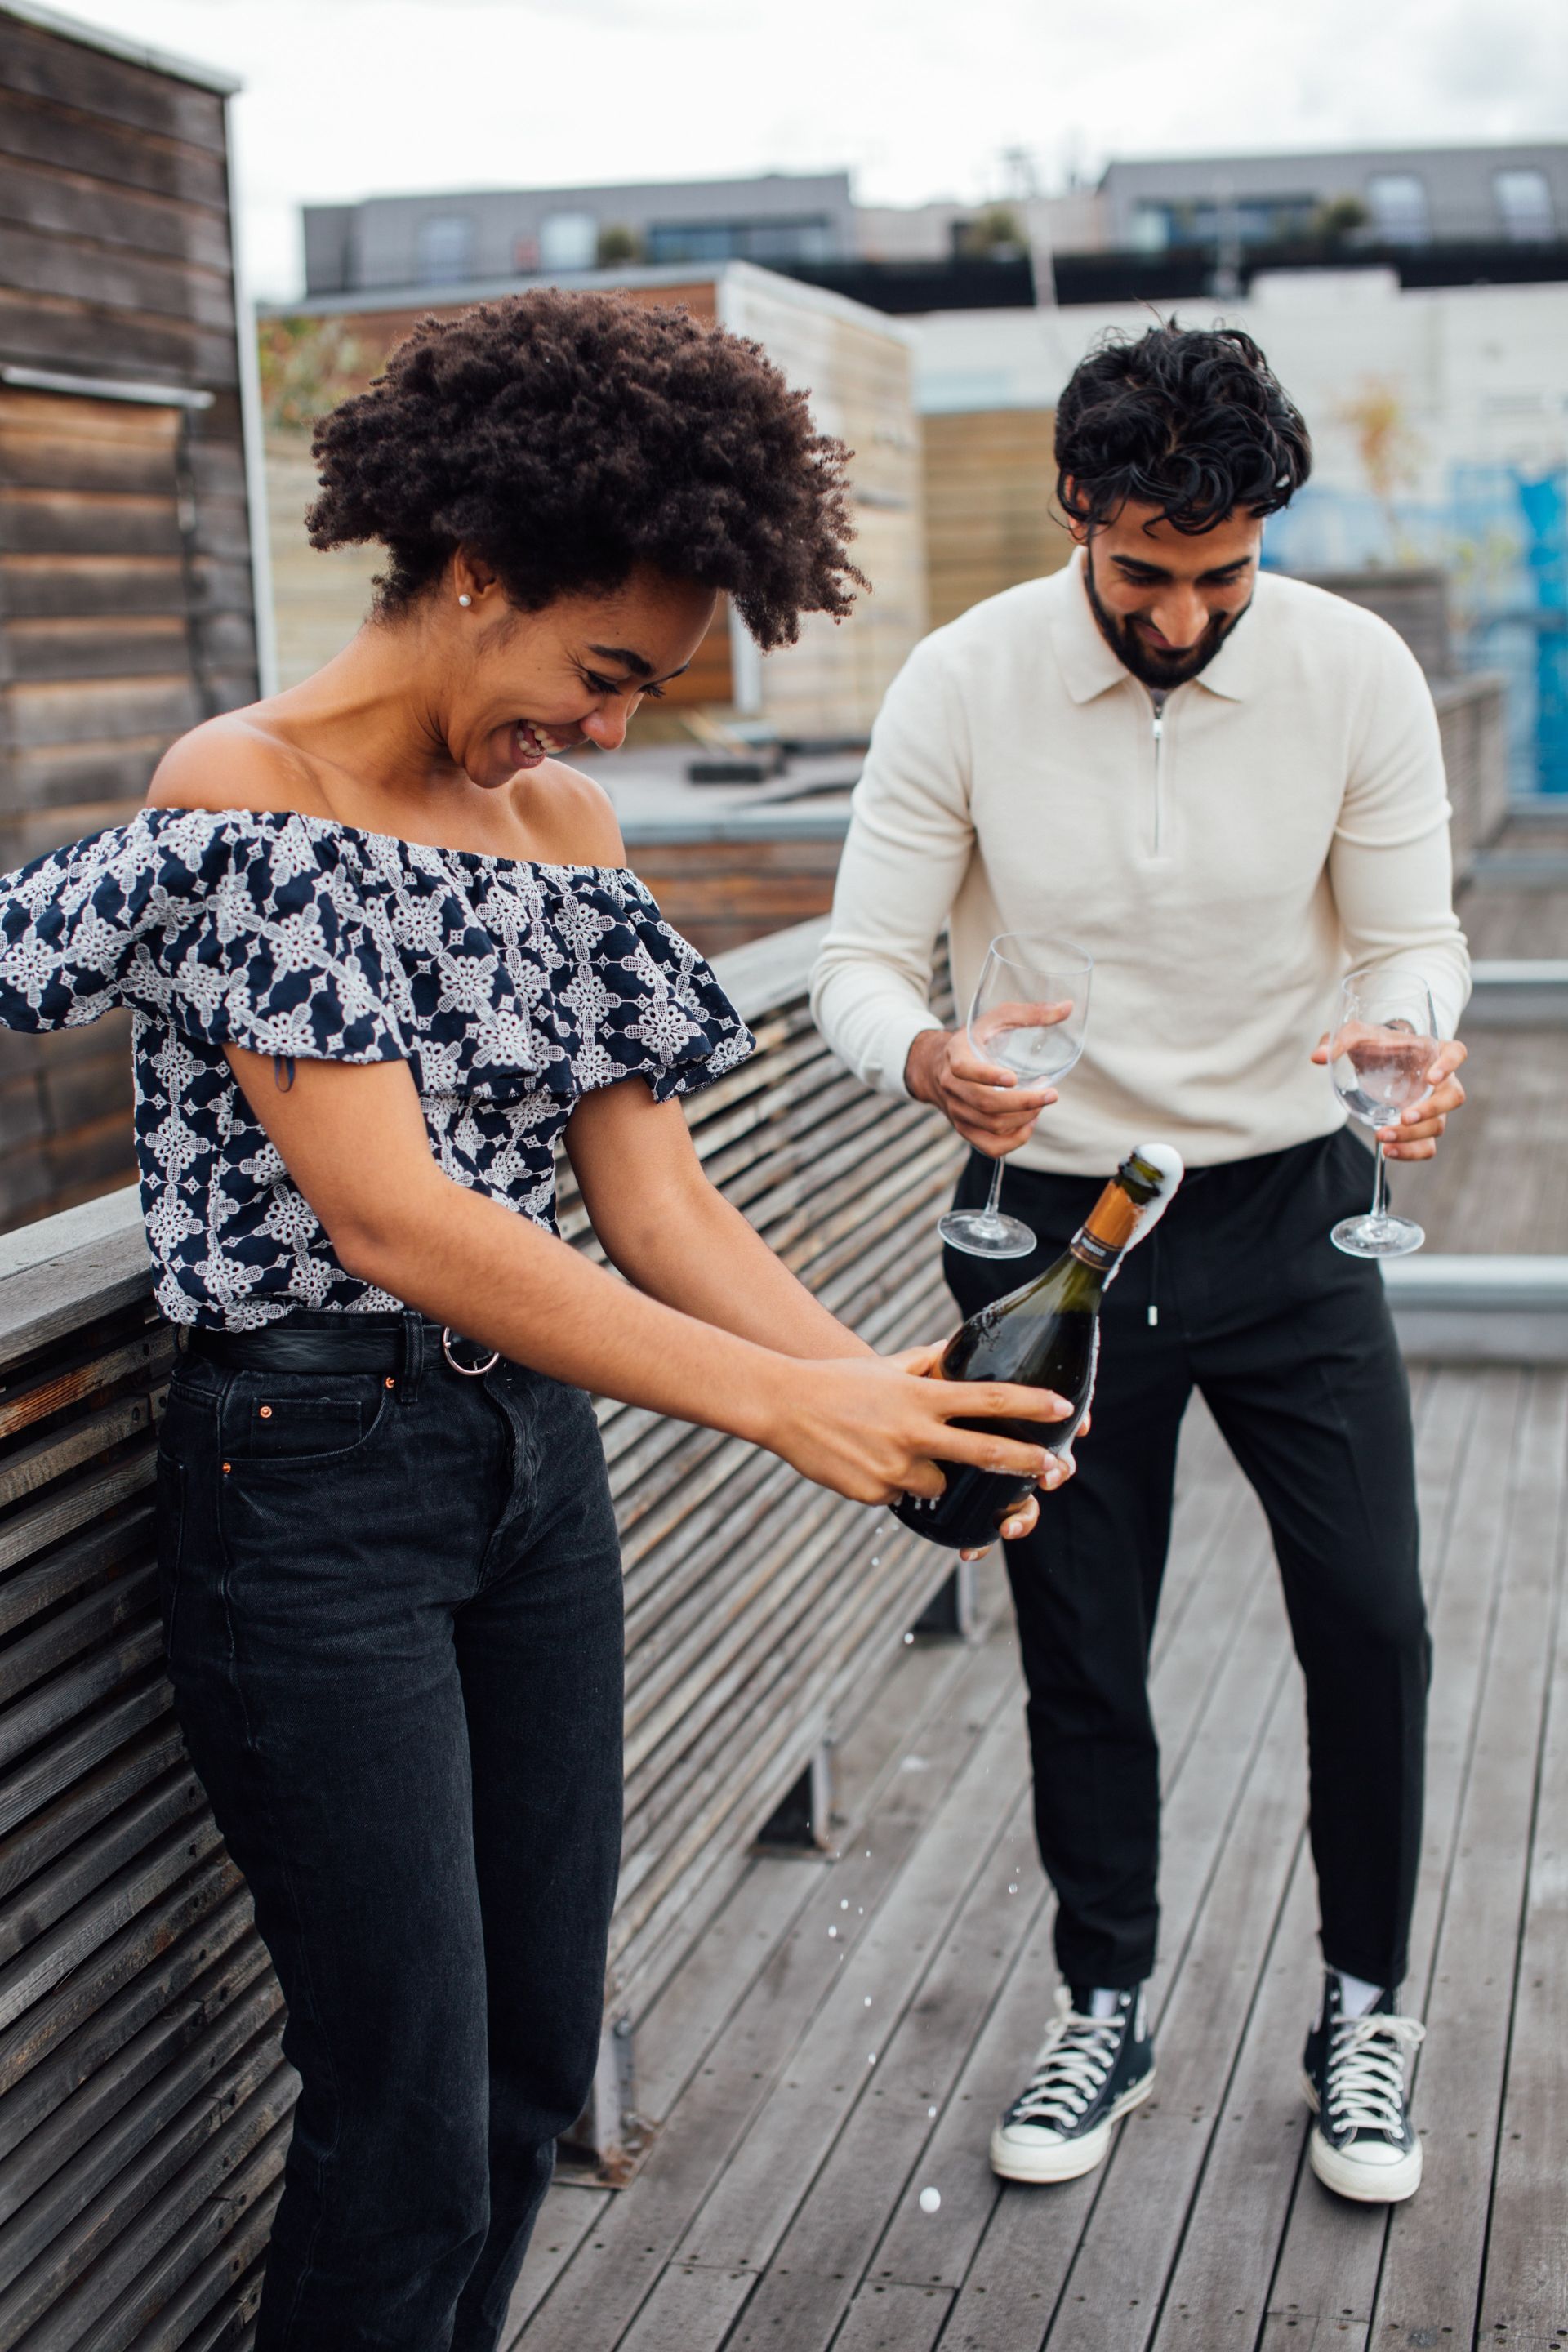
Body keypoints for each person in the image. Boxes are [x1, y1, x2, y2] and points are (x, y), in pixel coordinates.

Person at [0, 293, 1080, 2352]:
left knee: (520, 2078)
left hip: (530, 1479)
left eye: (650, 696)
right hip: (310, 1484)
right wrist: (783, 1411)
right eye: (600, 673)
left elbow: (651, 1194)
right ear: (474, 571)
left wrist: (887, 1397)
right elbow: (396, 1218)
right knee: (400, 2116)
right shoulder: (252, 790)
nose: (606, 732)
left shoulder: (566, 837)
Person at [811, 321, 1471, 2207]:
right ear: (1075, 511)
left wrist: (1413, 1034)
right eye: (1146, 575)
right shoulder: (961, 679)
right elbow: (864, 960)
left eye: (1224, 577)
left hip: (1285, 1207)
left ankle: (1366, 2010)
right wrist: (921, 1055)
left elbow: (1408, 941)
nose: (1184, 617)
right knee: (1080, 1644)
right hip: (1053, 1231)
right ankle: (1105, 1996)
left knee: (1375, 1620)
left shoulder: (1354, 671)